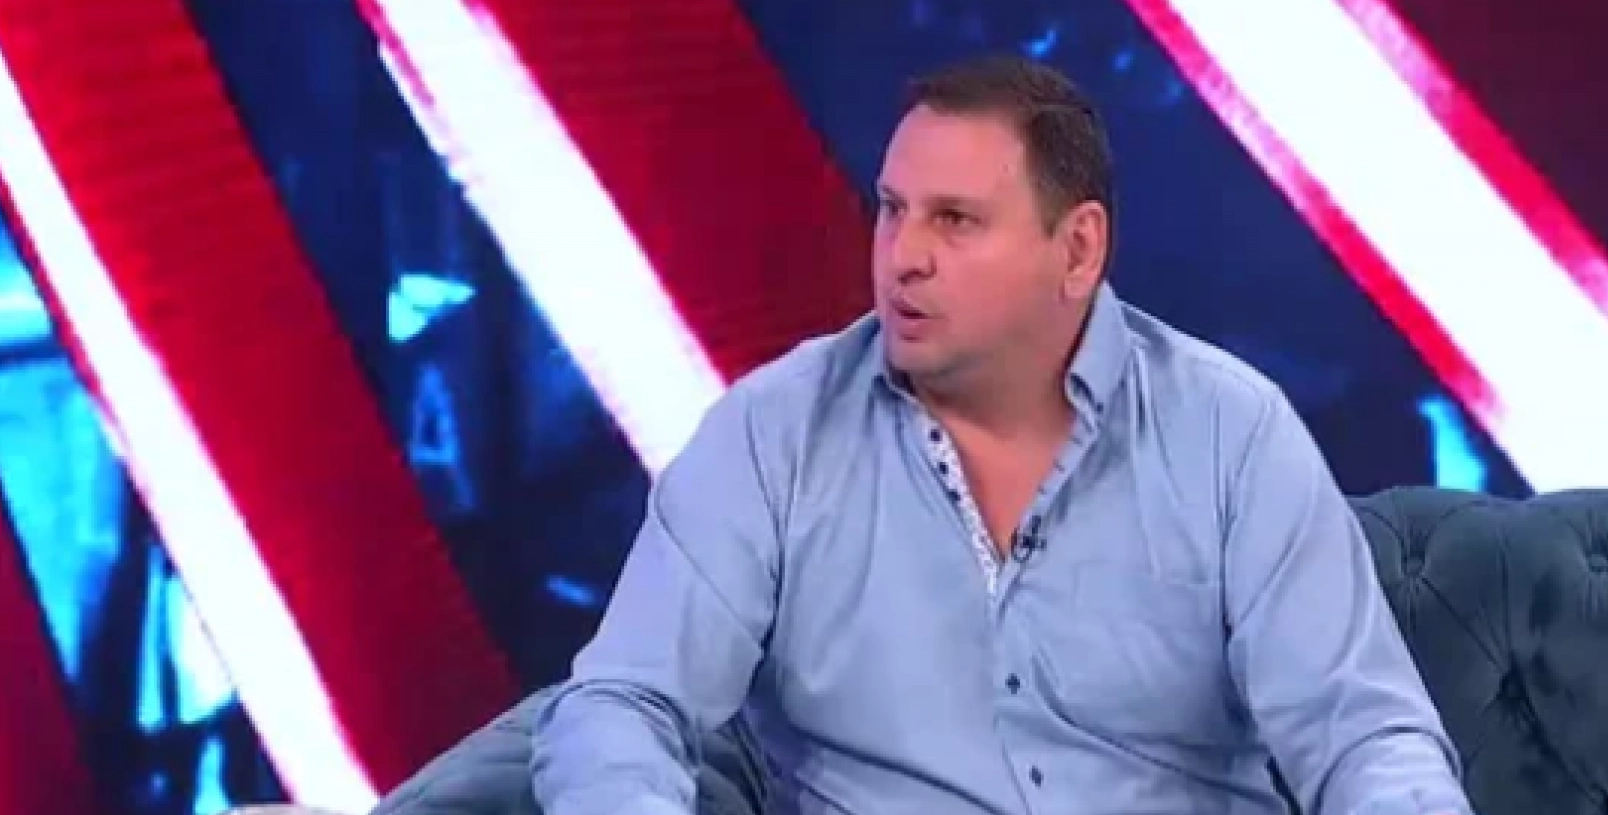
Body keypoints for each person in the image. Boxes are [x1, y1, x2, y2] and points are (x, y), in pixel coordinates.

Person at [533, 55, 1471, 815]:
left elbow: (1358, 732)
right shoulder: (773, 434)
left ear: (1077, 249)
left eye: (954, 220)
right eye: (891, 209)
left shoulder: (1230, 434)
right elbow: (623, 703)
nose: (903, 256)